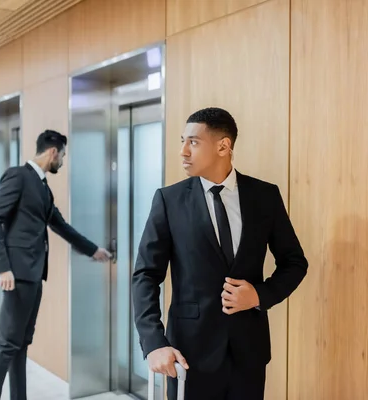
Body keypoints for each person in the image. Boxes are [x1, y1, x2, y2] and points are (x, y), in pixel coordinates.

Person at [132, 108, 308, 399]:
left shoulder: (264, 196)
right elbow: (146, 276)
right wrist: (153, 342)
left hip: (248, 354)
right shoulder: (169, 200)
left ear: (223, 146)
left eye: (193, 142)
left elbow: (295, 262)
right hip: (187, 355)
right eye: (182, 141)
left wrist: (260, 296)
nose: (183, 151)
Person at [0, 129, 111, 400]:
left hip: (34, 274)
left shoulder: (41, 187)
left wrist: (93, 250)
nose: (62, 161)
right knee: (7, 343)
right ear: (53, 152)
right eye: (62, 155)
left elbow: (60, 225)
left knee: (20, 343)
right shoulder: (18, 176)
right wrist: (2, 267)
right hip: (17, 273)